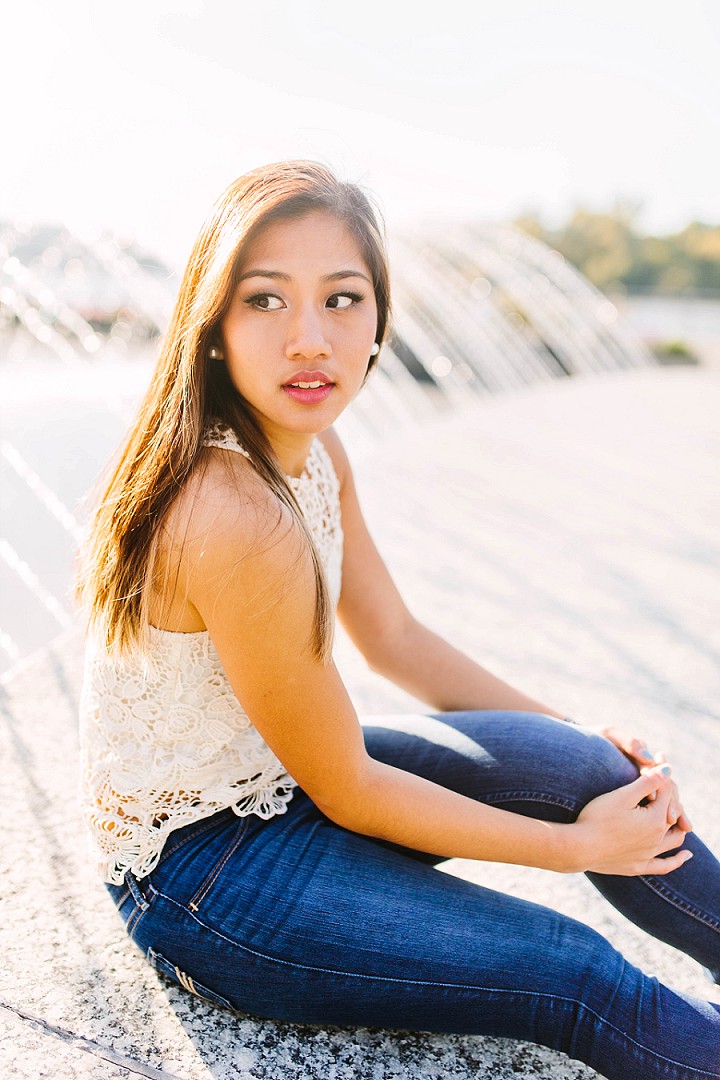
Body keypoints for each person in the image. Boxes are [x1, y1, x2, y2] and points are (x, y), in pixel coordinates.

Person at [76, 160, 720, 1080]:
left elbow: (395, 639)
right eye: (265, 301)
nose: (310, 340)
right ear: (211, 325)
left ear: (379, 321)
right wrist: (577, 849)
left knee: (585, 765)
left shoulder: (313, 448)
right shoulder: (231, 512)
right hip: (204, 875)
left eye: (342, 300)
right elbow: (351, 790)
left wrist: (575, 732)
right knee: (576, 974)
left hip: (285, 779)